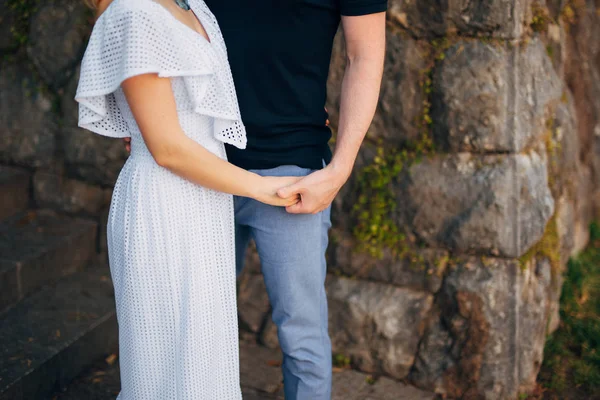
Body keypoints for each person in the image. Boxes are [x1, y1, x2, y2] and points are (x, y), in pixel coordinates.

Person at [76, 0, 303, 398]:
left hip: (206, 200)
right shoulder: (132, 12)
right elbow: (167, 147)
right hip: (162, 202)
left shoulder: (195, 6)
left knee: (204, 353)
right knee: (164, 362)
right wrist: (264, 188)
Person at [203, 1, 387, 399]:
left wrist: (338, 170)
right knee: (198, 325)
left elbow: (365, 55)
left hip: (292, 172)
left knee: (301, 334)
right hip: (200, 162)